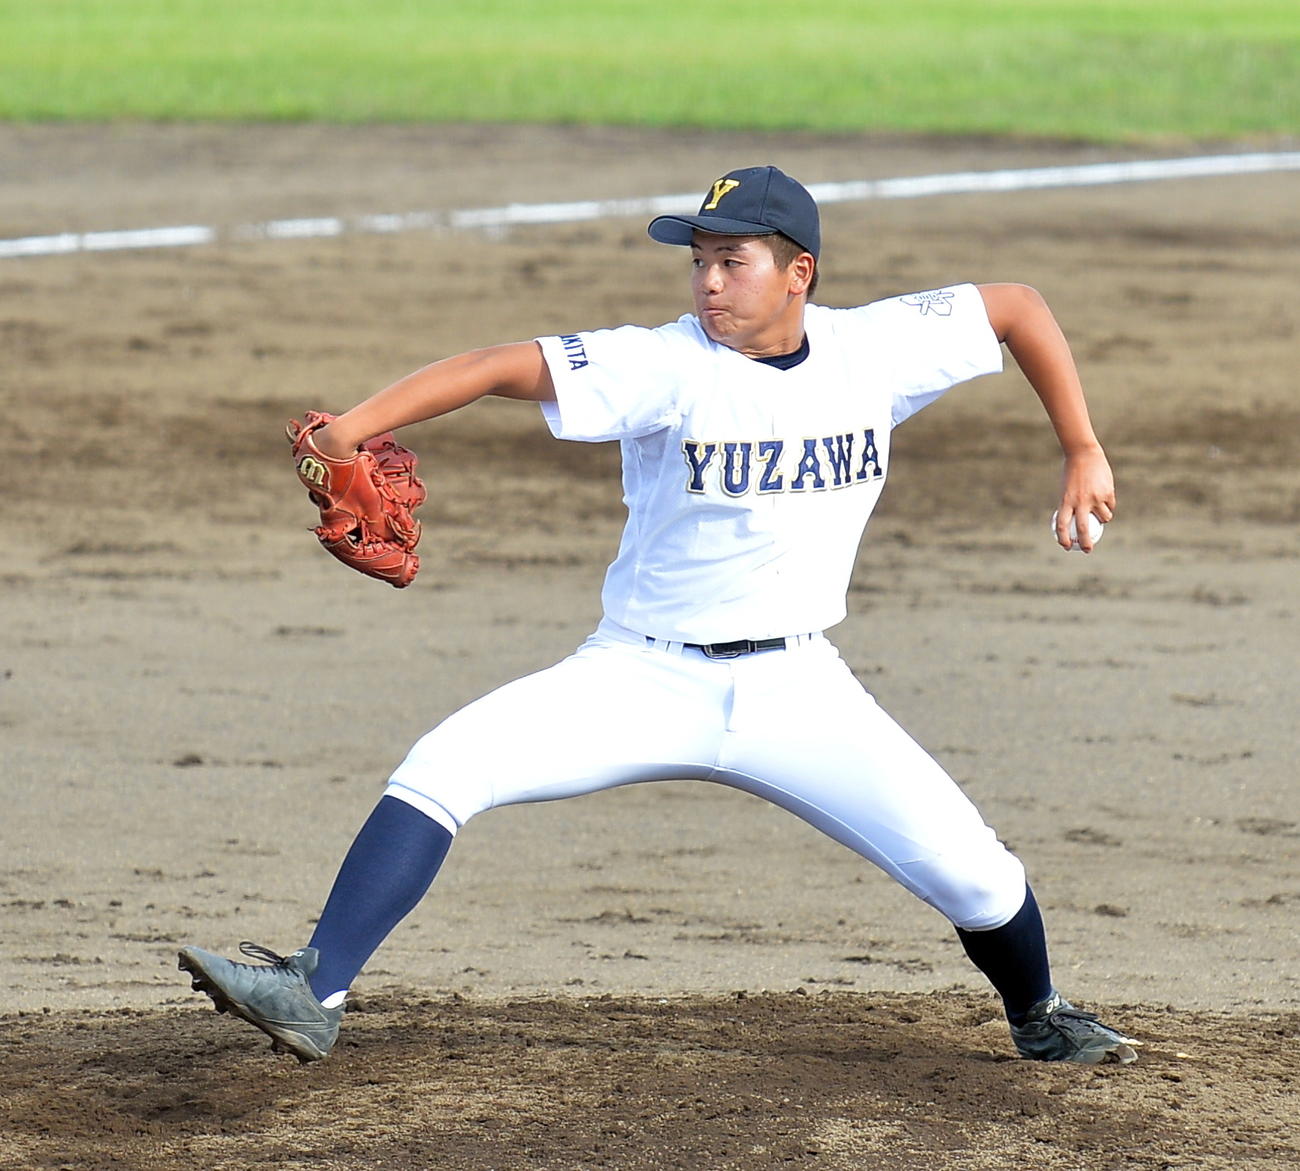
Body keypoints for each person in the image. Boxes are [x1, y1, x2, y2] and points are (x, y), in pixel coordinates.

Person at [179, 165, 1137, 1066]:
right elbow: (493, 366)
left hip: (799, 688)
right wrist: (347, 430)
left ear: (799, 273)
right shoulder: (662, 365)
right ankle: (316, 990)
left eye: (733, 260)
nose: (708, 284)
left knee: (977, 877)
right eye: (698, 261)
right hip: (640, 675)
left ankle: (1040, 1018)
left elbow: (1018, 309)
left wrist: (1082, 446)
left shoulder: (873, 349)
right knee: (447, 763)